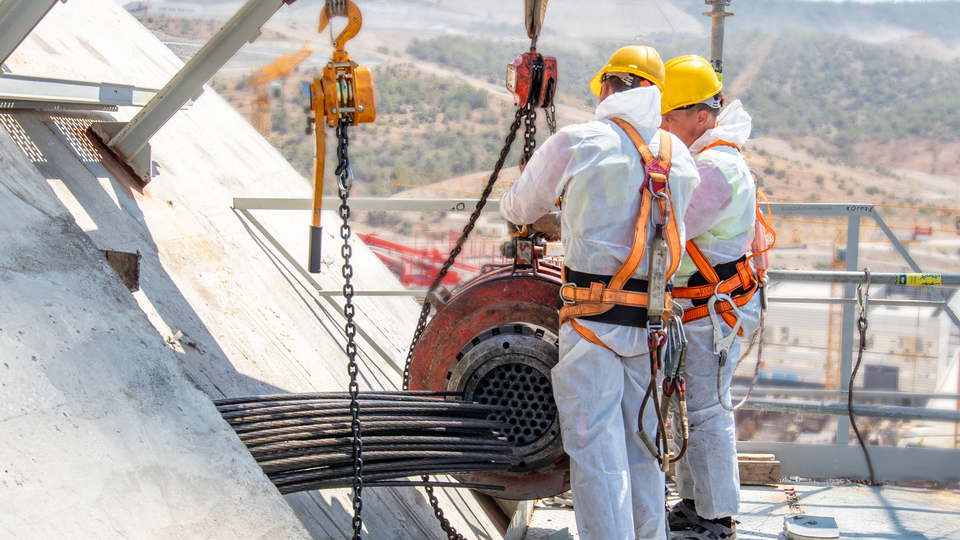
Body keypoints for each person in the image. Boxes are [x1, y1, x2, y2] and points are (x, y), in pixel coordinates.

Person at [500, 45, 700, 540]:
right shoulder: (680, 157)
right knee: (643, 447)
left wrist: (553, 215)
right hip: (651, 326)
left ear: (608, 86)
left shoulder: (580, 141)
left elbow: (521, 208)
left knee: (595, 448)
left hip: (593, 324)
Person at [659, 55, 763, 540]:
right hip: (699, 310)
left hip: (711, 312)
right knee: (690, 410)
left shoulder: (716, 168)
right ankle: (695, 503)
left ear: (701, 117)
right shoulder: (709, 159)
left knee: (705, 413)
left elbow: (671, 227)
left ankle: (717, 517)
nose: (662, 126)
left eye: (670, 117)